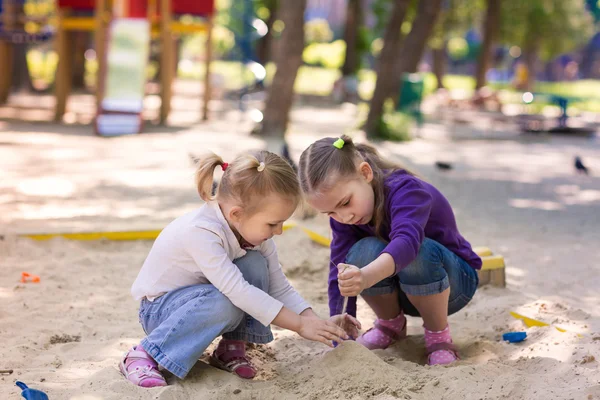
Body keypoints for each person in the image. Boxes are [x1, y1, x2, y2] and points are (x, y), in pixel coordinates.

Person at [122, 150, 360, 387]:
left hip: (204, 302)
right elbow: (238, 292)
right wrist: (298, 325)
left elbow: (279, 286)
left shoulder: (256, 236)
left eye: (282, 223)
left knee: (255, 264)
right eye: (273, 223)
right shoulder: (202, 233)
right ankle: (145, 353)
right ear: (237, 213)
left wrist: (314, 321)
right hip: (162, 312)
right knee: (228, 301)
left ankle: (232, 346)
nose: (278, 231)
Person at [298, 136, 481, 365]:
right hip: (405, 290)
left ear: (365, 173)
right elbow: (339, 267)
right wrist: (342, 318)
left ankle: (438, 336)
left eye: (345, 203)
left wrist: (365, 277)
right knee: (361, 251)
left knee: (417, 252)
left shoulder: (406, 190)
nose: (344, 217)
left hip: (455, 284)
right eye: (331, 213)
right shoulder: (344, 219)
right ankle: (390, 325)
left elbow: (406, 243)